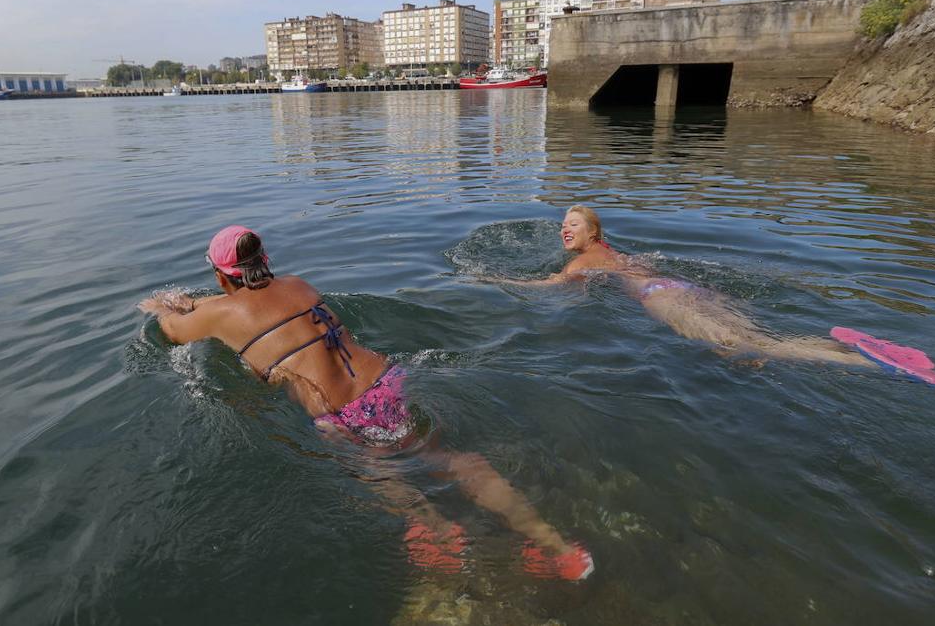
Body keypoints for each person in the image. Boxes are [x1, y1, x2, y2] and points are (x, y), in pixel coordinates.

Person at [138, 225, 595, 580]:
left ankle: (438, 534)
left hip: (342, 414)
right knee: (447, 458)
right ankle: (556, 547)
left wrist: (164, 305)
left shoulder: (219, 312)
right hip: (387, 380)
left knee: (381, 471)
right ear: (266, 262)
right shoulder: (299, 285)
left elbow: (170, 330)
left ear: (220, 275)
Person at [483, 206, 935, 394]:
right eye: (562, 224)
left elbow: (551, 288)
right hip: (686, 286)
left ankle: (872, 364)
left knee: (756, 347)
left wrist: (493, 281)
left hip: (662, 298)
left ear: (593, 234)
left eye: (574, 224)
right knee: (749, 339)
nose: (564, 229)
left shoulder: (583, 263)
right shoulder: (615, 253)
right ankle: (850, 345)